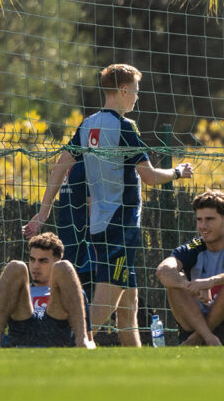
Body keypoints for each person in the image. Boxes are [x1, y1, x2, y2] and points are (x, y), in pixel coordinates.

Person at [23, 64, 193, 347]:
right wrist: (177, 172)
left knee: (128, 311)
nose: (137, 98)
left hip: (99, 224)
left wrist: (44, 212)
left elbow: (60, 166)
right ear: (124, 90)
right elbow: (149, 177)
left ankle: (137, 372)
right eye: (136, 92)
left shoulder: (88, 124)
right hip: (121, 225)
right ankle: (58, 343)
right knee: (106, 304)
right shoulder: (124, 128)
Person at [155, 190, 224, 346]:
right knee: (175, 285)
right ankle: (207, 337)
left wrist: (211, 282)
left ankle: (198, 339)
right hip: (197, 320)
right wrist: (191, 286)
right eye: (199, 220)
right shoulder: (194, 247)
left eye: (210, 219)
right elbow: (163, 270)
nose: (203, 226)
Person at [0, 233, 95, 349]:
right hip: (22, 331)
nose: (36, 266)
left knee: (65, 266)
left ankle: (81, 342)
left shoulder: (71, 292)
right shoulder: (18, 290)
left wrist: (88, 342)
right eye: (32, 260)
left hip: (56, 332)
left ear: (56, 260)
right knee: (15, 266)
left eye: (43, 261)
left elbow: (90, 337)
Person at [56, 160, 94, 298]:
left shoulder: (63, 163)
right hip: (82, 241)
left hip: (72, 239)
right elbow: (92, 205)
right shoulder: (88, 164)